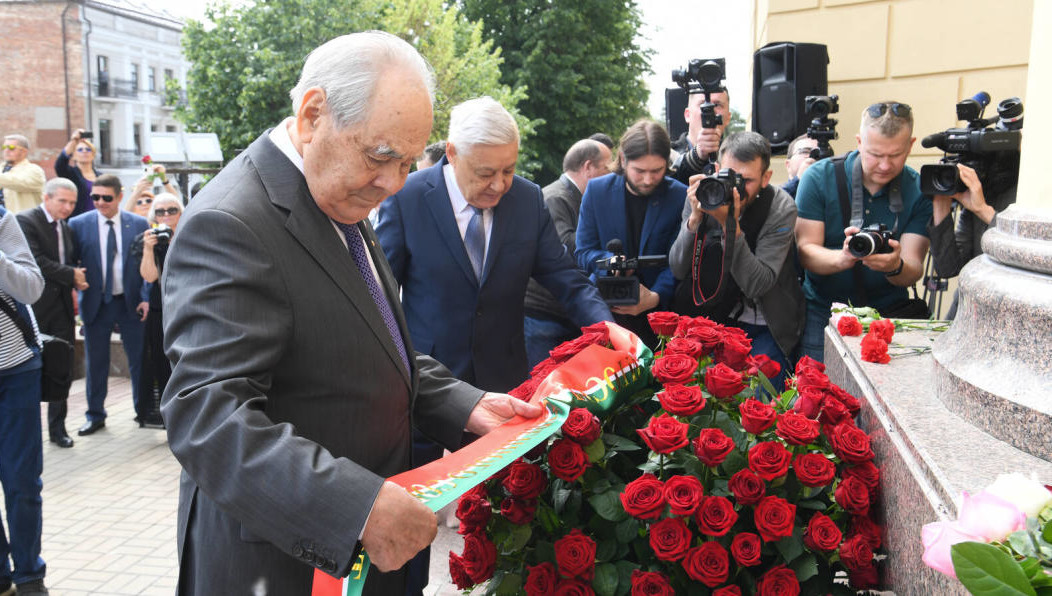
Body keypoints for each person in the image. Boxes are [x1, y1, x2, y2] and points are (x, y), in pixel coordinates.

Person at [159, 32, 540, 595]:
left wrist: (468, 404)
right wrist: (357, 507)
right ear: (313, 115)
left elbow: (373, 342)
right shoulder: (232, 224)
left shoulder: (335, 193)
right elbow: (206, 416)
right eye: (381, 156)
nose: (393, 183)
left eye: (408, 162)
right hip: (281, 565)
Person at [377, 97, 612, 394]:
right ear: (452, 153)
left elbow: (568, 280)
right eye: (485, 173)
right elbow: (379, 294)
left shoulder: (528, 200)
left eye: (509, 170)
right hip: (431, 386)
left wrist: (607, 329)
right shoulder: (405, 199)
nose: (499, 185)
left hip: (506, 383)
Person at [795, 101, 932, 362]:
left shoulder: (918, 190)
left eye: (895, 155)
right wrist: (843, 258)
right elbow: (805, 251)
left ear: (911, 145)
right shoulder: (819, 178)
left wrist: (894, 265)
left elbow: (914, 267)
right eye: (875, 154)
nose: (884, 165)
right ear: (859, 142)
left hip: (889, 314)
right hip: (823, 311)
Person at [669, 132, 803, 389]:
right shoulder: (705, 194)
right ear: (717, 169)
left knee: (760, 400)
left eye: (747, 180)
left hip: (766, 322)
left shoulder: (781, 207)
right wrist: (694, 221)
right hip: (715, 316)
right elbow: (677, 268)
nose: (735, 187)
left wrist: (729, 225)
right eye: (729, 176)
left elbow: (758, 285)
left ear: (766, 178)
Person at [576, 119, 687, 348]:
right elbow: (583, 252)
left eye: (657, 171)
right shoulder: (597, 191)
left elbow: (678, 260)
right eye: (640, 171)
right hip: (607, 314)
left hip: (660, 319)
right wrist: (608, 261)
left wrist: (654, 297)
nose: (648, 180)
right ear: (623, 160)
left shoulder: (679, 196)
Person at [68, 174, 150, 435]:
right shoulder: (78, 224)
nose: (100, 202)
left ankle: (143, 410)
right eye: (95, 197)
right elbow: (70, 262)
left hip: (131, 302)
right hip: (96, 303)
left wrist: (146, 298)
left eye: (106, 198)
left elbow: (148, 263)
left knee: (138, 360)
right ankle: (95, 414)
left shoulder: (137, 223)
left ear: (119, 197)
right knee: (96, 362)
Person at [523, 138, 611, 367]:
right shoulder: (555, 197)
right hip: (543, 315)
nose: (611, 174)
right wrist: (600, 245)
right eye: (606, 167)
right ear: (588, 167)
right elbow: (566, 249)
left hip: (562, 310)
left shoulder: (574, 196)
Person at [16, 178, 88, 448]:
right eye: (63, 201)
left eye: (72, 202)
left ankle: (58, 430)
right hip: (33, 309)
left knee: (60, 368)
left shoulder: (66, 228)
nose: (68, 207)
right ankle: (28, 431)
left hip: (62, 310)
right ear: (46, 198)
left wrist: (73, 278)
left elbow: (67, 262)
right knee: (30, 371)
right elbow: (37, 261)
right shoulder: (25, 221)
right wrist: (72, 275)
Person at [0, 205, 49, 596]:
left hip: (15, 368)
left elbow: (31, 288)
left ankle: (29, 574)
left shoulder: (1, 219)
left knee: (21, 482)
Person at [927, 155, 1019, 318]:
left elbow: (1021, 253)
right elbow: (947, 267)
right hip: (967, 313)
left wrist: (983, 210)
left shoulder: (1029, 190)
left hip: (1008, 314)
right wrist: (941, 205)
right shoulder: (979, 194)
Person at [130, 193, 183, 429]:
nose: (166, 216)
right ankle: (168, 417)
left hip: (187, 306)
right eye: (160, 212)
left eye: (172, 210)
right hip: (160, 309)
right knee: (162, 365)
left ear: (181, 212)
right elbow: (149, 276)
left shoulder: (191, 232)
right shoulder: (149, 240)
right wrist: (149, 249)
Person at [669, 87, 733, 184]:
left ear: (728, 118)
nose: (711, 111)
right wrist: (696, 156)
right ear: (687, 115)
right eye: (703, 104)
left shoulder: (735, 155)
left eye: (717, 105)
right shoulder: (666, 154)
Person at [54, 129, 100, 217]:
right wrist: (74, 141)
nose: (84, 151)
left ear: (93, 154)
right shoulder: (71, 174)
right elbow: (60, 165)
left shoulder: (101, 176)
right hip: (78, 220)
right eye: (80, 150)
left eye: (88, 149)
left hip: (97, 220)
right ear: (74, 156)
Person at [0, 135, 45, 213]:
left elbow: (18, 182)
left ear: (24, 151)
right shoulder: (1, 168)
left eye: (11, 147)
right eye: (4, 147)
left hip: (22, 222)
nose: (6, 150)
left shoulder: (34, 170)